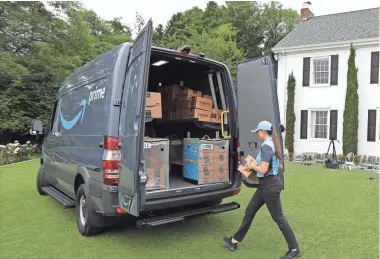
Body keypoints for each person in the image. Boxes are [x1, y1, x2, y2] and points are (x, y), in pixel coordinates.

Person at [223, 121, 301, 259]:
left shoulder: (267, 146)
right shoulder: (271, 144)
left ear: (264, 132)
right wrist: (250, 167)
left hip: (270, 186)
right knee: (250, 210)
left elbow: (263, 169)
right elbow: (269, 167)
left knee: (278, 217)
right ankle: (234, 241)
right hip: (265, 185)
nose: (257, 134)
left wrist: (253, 166)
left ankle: (294, 249)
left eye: (258, 132)